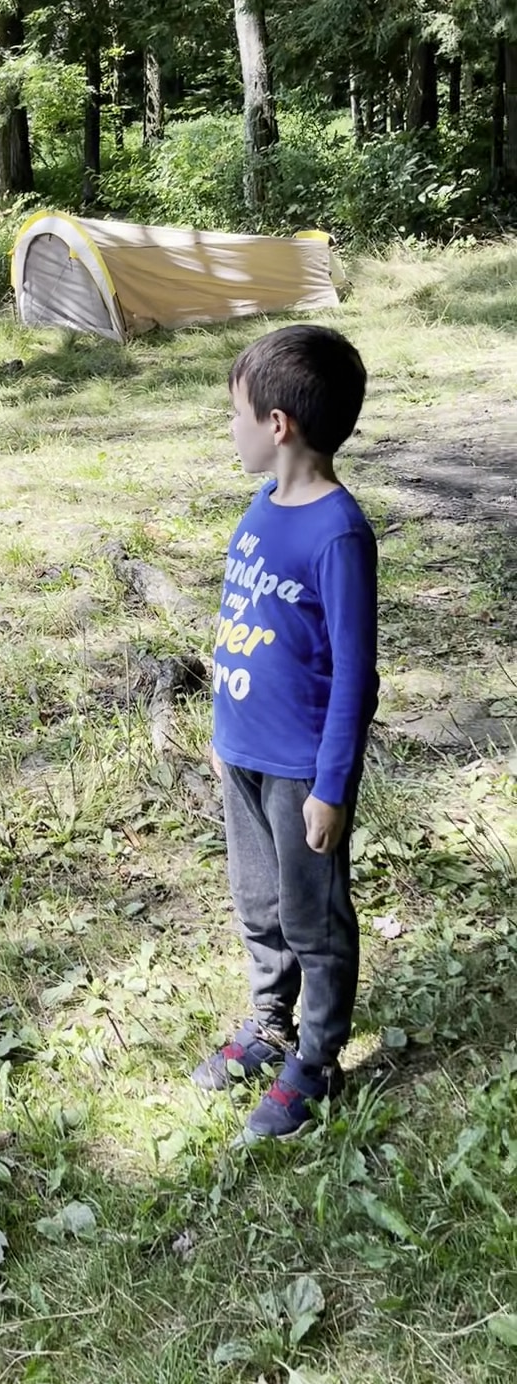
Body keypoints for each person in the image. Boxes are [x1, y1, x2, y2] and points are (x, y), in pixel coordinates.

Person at [193, 324, 378, 1141]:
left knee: (314, 919)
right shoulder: (262, 506)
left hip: (302, 770)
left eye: (234, 413)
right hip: (244, 754)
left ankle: (317, 1057)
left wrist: (332, 789)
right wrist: (220, 729)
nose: (227, 428)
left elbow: (355, 676)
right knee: (259, 903)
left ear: (278, 426)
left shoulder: (337, 533)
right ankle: (269, 1023)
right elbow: (243, 621)